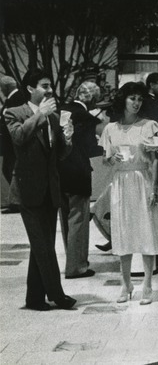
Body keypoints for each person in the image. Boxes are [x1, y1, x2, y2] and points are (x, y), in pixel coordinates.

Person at [4, 68, 77, 311]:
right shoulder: (13, 112)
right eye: (45, 86)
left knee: (41, 245)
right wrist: (39, 115)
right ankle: (57, 295)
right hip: (27, 189)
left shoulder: (54, 118)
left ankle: (34, 299)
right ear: (30, 89)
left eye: (50, 86)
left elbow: (60, 156)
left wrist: (67, 138)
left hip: (49, 189)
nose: (49, 91)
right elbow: (18, 138)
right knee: (43, 246)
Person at [99, 82, 158, 305]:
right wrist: (110, 159)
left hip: (142, 180)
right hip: (121, 183)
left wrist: (155, 188)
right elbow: (106, 161)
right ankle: (125, 284)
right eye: (132, 98)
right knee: (123, 232)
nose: (136, 103)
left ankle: (147, 284)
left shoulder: (149, 126)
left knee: (147, 232)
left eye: (139, 99)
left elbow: (155, 161)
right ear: (123, 100)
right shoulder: (110, 129)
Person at [58, 81, 106, 279]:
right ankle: (77, 267)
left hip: (59, 171)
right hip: (78, 172)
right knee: (78, 219)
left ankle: (72, 261)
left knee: (66, 219)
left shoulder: (63, 109)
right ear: (93, 99)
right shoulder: (86, 116)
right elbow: (91, 145)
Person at [1, 75, 27, 213]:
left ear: (5, 87)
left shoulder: (16, 99)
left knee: (11, 169)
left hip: (13, 141)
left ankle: (18, 202)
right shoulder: (14, 99)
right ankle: (17, 201)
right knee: (9, 168)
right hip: (10, 141)